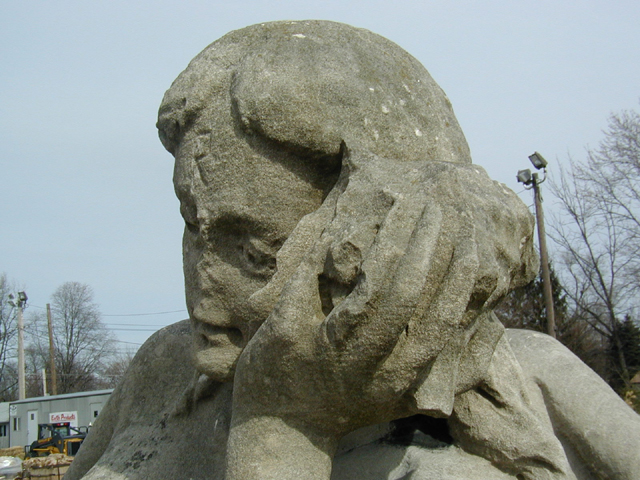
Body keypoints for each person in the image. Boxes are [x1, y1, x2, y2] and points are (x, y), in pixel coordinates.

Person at [66, 20, 640, 480]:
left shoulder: (531, 383)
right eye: (193, 226)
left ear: (398, 243)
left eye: (257, 253)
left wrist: (285, 424)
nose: (203, 283)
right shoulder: (165, 370)